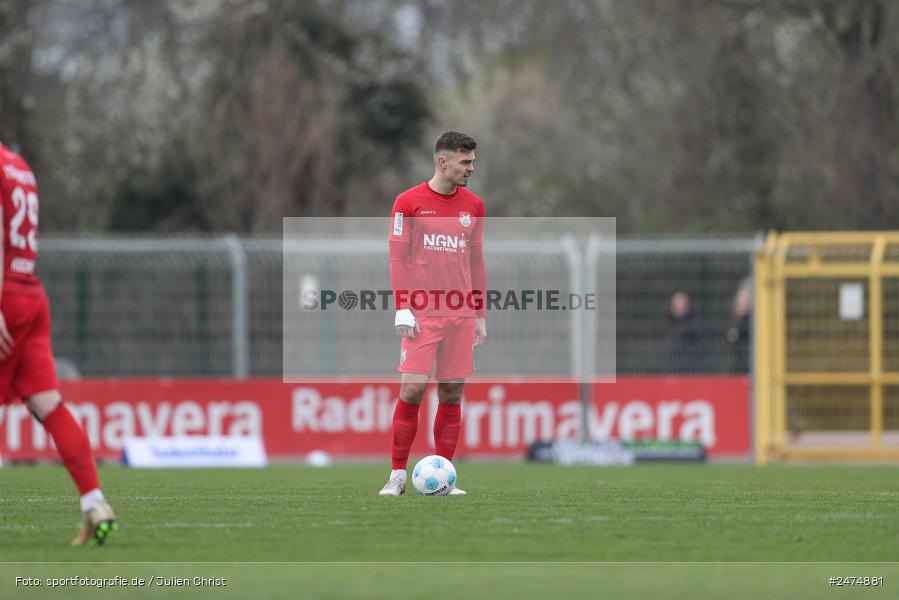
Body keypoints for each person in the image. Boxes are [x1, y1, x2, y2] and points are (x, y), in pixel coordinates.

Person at [0, 142, 117, 545]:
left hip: (5, 297)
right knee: (48, 404)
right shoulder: (20, 166)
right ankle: (95, 501)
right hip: (31, 292)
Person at [379, 131, 487, 496]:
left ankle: (446, 478)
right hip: (422, 313)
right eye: (465, 162)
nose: (471, 168)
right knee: (412, 389)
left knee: (452, 393)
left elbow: (476, 261)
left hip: (460, 315)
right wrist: (402, 307)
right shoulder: (407, 203)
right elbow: (397, 258)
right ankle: (396, 476)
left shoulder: (474, 205)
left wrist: (480, 314)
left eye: (472, 161)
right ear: (443, 162)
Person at [665, 291, 703, 373]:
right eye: (676, 305)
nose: (679, 308)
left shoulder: (694, 325)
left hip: (690, 371)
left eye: (682, 305)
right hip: (672, 370)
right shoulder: (669, 324)